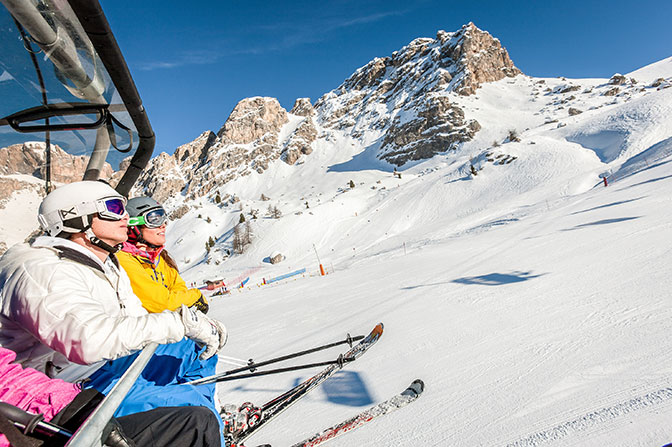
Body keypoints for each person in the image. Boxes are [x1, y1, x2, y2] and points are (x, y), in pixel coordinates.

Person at [0, 181, 228, 441]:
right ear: (77, 219)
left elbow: (135, 316)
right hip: (71, 383)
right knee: (190, 408)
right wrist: (177, 323)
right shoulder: (43, 270)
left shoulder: (106, 263)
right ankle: (196, 428)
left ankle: (209, 428)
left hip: (107, 364)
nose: (126, 217)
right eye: (114, 207)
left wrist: (188, 325)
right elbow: (88, 340)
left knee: (195, 351)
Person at [0, 346, 221, 447]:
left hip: (71, 408)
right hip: (43, 428)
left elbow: (12, 375)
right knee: (191, 408)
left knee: (199, 420)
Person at [117, 196, 208, 313]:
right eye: (153, 219)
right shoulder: (123, 259)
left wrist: (182, 300)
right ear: (134, 225)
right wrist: (195, 296)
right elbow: (161, 303)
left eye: (162, 217)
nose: (163, 225)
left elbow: (179, 288)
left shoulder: (159, 258)